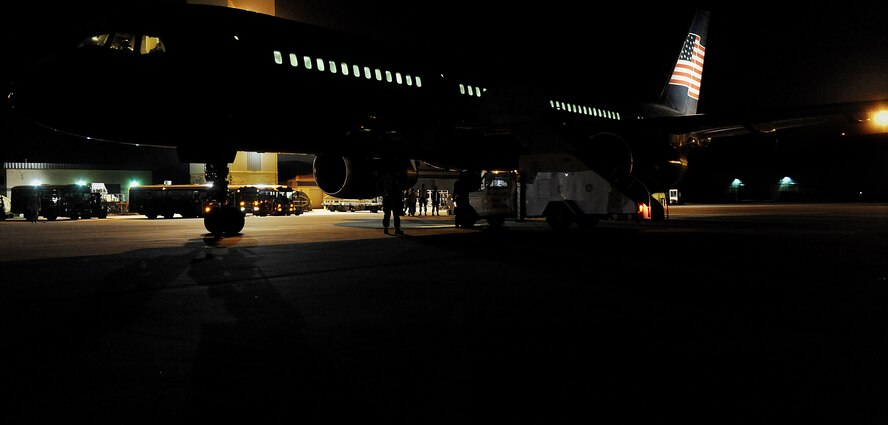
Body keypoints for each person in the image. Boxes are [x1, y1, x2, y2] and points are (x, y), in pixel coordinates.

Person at [377, 170, 403, 234]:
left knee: (387, 214)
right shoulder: (395, 178)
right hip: (394, 198)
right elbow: (399, 188)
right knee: (396, 215)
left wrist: (383, 193)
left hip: (387, 198)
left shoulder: (385, 178)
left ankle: (386, 229)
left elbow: (378, 185)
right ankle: (396, 229)